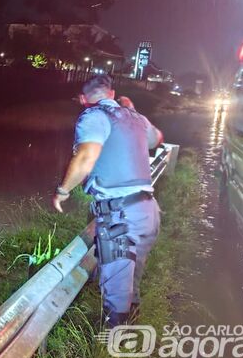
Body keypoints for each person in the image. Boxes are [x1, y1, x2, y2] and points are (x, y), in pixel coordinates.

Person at [53, 75, 164, 327]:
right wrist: (133, 111)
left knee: (116, 296)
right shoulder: (137, 118)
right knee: (132, 280)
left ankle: (113, 342)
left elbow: (86, 157)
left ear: (83, 99)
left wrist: (63, 191)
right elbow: (157, 139)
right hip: (148, 212)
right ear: (112, 94)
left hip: (120, 217)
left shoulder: (93, 116)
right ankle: (130, 330)